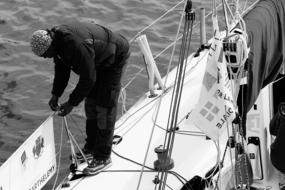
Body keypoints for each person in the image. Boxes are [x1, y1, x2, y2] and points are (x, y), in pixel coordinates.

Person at [30, 21, 130, 175]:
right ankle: (91, 147)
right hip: (97, 61)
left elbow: (88, 79)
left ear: (49, 46)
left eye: (44, 54)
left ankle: (103, 157)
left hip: (115, 58)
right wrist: (55, 94)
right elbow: (62, 71)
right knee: (90, 104)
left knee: (104, 107)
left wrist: (71, 103)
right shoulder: (57, 44)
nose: (45, 58)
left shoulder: (74, 45)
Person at [270, 102, 285, 189]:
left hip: (278, 159)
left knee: (281, 177)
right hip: (279, 158)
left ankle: (282, 185)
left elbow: (272, 130)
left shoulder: (282, 109)